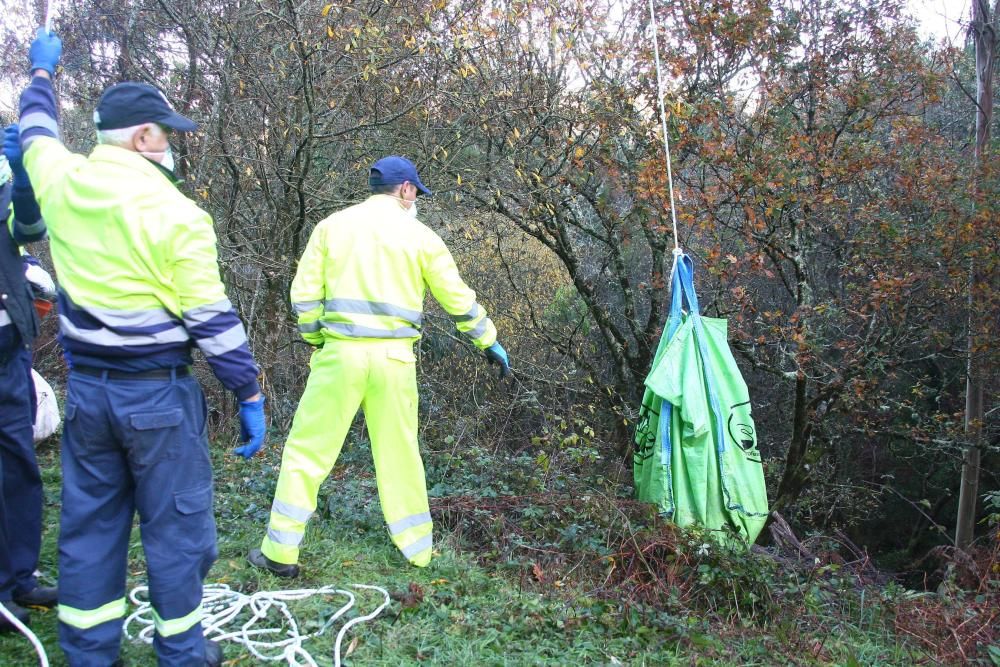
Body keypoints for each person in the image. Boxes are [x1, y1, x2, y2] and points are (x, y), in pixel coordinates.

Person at [18, 29, 267, 666]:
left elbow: (35, 131)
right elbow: (212, 320)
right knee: (177, 528)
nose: (171, 142)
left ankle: (88, 652)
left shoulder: (63, 182)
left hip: (90, 398)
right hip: (157, 397)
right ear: (140, 138)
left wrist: (41, 75)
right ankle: (182, 650)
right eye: (164, 131)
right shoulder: (176, 213)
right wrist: (248, 391)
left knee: (90, 527)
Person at [248, 155, 510, 577]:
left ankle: (280, 552)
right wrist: (489, 340)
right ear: (405, 189)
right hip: (394, 361)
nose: (415, 200)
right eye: (415, 193)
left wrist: (318, 339)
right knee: (401, 454)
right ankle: (418, 552)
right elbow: (455, 296)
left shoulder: (331, 227)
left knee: (307, 451)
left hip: (340, 356)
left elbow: (305, 297)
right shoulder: (421, 236)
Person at [0, 121, 57, 633]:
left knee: (17, 462)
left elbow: (29, 229)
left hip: (7, 345)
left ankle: (20, 577)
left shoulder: (4, 177)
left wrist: (19, 173)